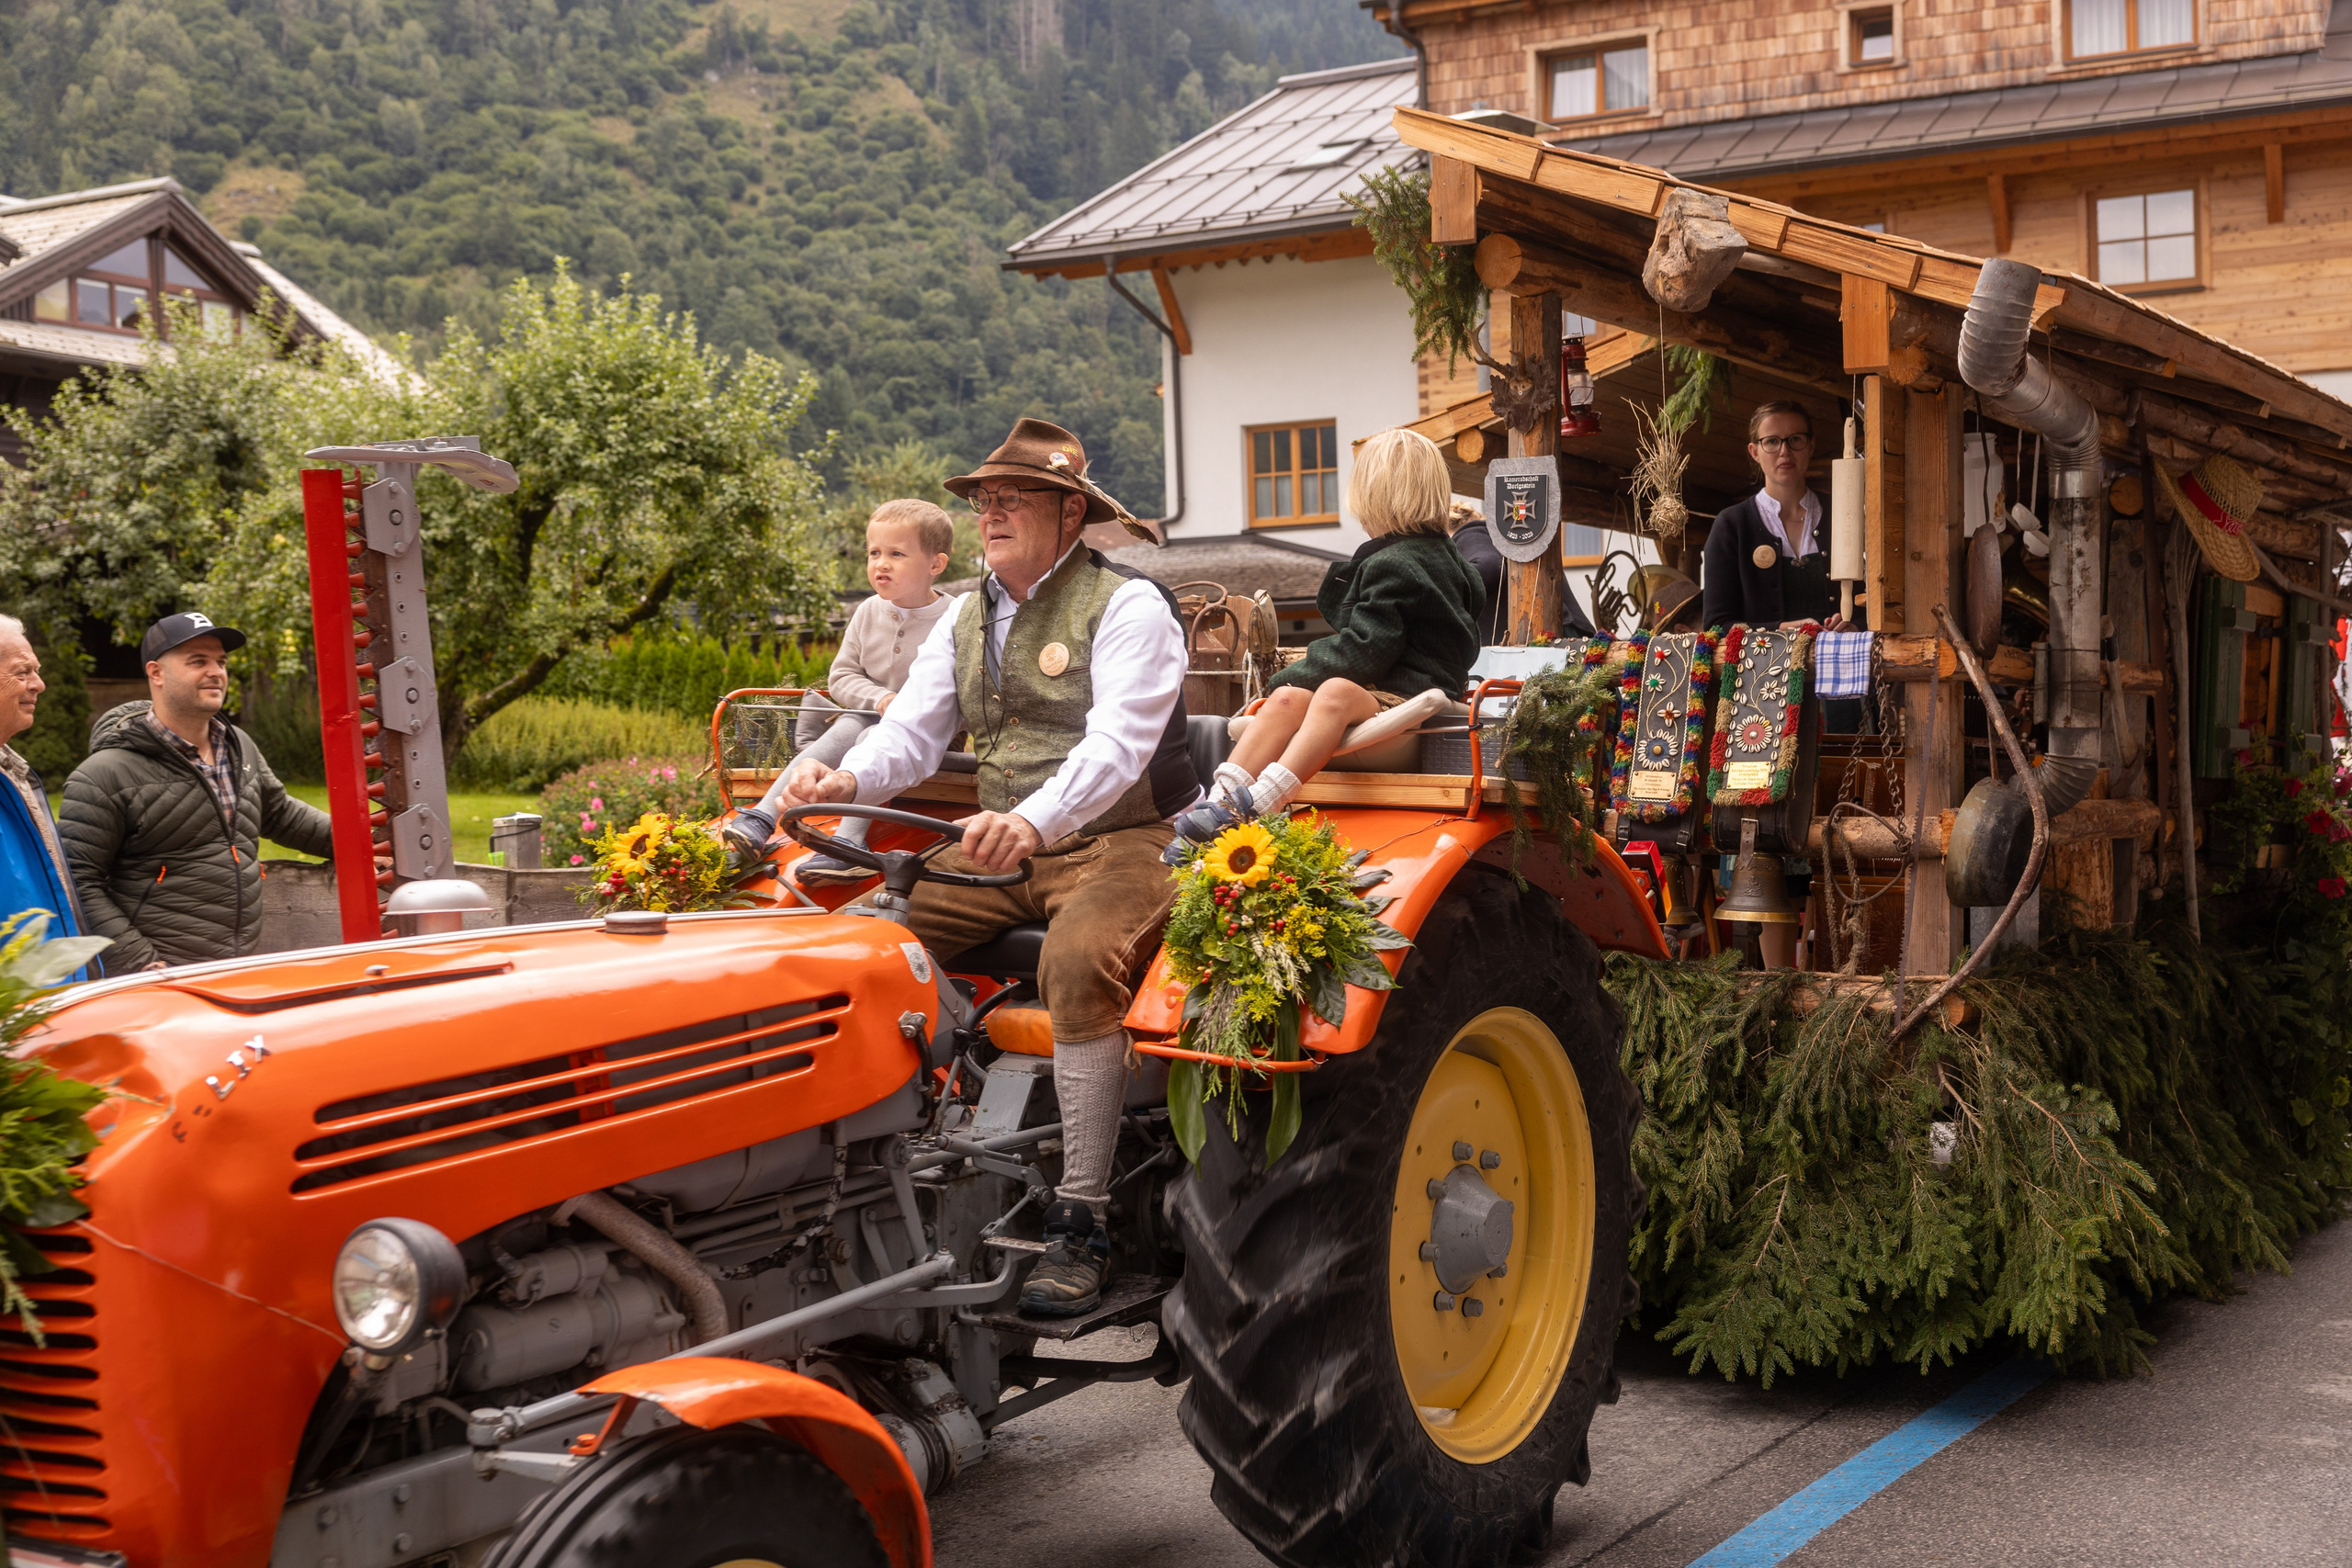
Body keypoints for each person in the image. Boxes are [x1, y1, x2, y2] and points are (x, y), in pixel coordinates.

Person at [774, 417, 1198, 1316]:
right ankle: (897, 1155)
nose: (989, 512)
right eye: (981, 501)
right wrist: (844, 773)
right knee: (862, 945)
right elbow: (912, 733)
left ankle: (1082, 1217)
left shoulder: (1129, 608)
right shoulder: (968, 616)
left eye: (1011, 499)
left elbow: (1119, 745)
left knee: (1079, 960)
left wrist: (1034, 820)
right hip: (1001, 840)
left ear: (1070, 511)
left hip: (1120, 840)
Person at [1190, 428, 1484, 830]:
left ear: (1373, 498)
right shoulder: (1452, 562)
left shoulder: (1395, 564)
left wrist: (1287, 676)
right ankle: (1217, 802)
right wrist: (1288, 688)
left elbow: (1362, 652)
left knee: (1332, 690)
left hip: (1404, 695)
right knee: (1289, 699)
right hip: (1393, 692)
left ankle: (1261, 801)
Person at [61, 613, 334, 971]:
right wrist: (139, 962)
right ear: (156, 673)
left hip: (236, 964)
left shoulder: (240, 747)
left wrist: (361, 846)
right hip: (158, 974)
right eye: (198, 661)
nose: (216, 672)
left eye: (220, 661)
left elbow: (279, 813)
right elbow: (77, 883)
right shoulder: (103, 776)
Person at [728, 499, 956, 882]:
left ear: (935, 565)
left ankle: (849, 844)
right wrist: (881, 699)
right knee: (850, 727)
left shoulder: (952, 619)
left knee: (869, 733)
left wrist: (903, 711)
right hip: (871, 715)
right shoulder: (867, 611)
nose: (881, 563)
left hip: (927, 736)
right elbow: (842, 677)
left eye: (896, 554)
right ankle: (762, 817)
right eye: (874, 552)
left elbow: (957, 691)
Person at [1701, 400, 1846, 632]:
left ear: (1811, 445)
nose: (1784, 451)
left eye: (1795, 439)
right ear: (1754, 452)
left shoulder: (1843, 513)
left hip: (1842, 662)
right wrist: (1779, 628)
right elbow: (1717, 625)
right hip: (1762, 667)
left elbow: (1877, 604)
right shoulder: (1731, 525)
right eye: (1771, 441)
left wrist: (1854, 626)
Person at [0, 617, 91, 970]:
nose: (39, 684)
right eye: (22, 672)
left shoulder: (14, 772)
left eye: (35, 671)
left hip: (43, 999)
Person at [1448, 498, 1595, 644]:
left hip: (1549, 637)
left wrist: (1445, 589)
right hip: (1568, 635)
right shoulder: (1496, 537)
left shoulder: (1469, 534)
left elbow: (1490, 567)